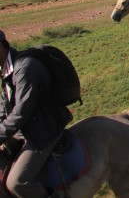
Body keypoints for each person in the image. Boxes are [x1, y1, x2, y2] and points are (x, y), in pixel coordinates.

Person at [0, 29, 73, 197]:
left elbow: (20, 113)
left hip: (43, 129)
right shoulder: (6, 69)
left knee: (17, 183)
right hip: (26, 128)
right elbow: (5, 106)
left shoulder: (25, 69)